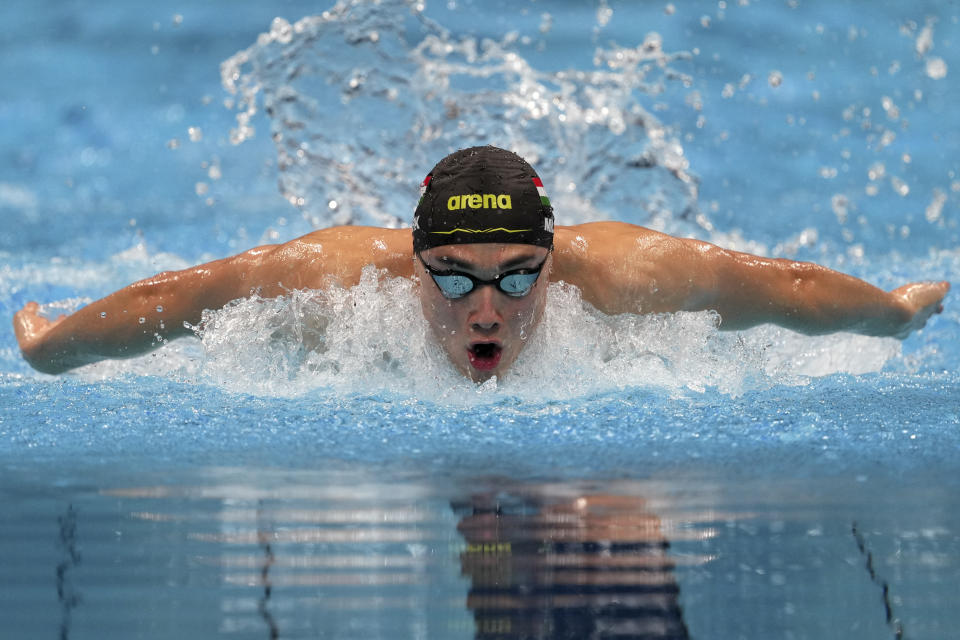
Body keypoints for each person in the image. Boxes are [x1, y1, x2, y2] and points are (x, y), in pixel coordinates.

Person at [13, 146, 949, 380]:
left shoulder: (622, 276)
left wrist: (896, 314)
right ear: (414, 263)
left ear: (553, 259)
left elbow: (783, 288)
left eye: (518, 275)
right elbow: (181, 295)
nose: (486, 309)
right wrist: (50, 346)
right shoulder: (339, 277)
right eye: (452, 276)